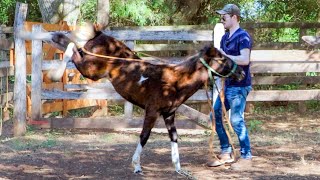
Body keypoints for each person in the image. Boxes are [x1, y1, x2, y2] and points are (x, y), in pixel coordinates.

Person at [206, 4, 253, 170]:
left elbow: (244, 59)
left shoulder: (243, 37)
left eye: (224, 16)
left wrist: (224, 55)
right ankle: (226, 150)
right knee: (214, 115)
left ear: (234, 17)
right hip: (227, 85)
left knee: (236, 119)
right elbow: (222, 63)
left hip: (239, 85)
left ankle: (246, 155)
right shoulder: (225, 38)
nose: (221, 19)